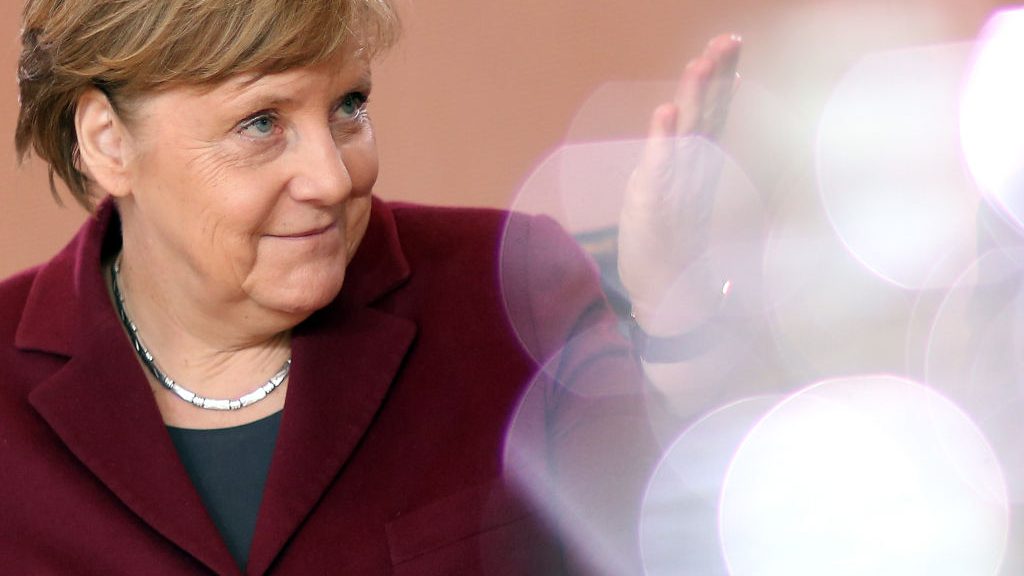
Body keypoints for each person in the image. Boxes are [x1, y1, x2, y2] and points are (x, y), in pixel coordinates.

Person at [0, 0, 741, 573]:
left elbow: (684, 541)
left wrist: (677, 307)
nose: (332, 177)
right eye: (261, 123)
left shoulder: (510, 288)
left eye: (348, 107)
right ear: (107, 143)